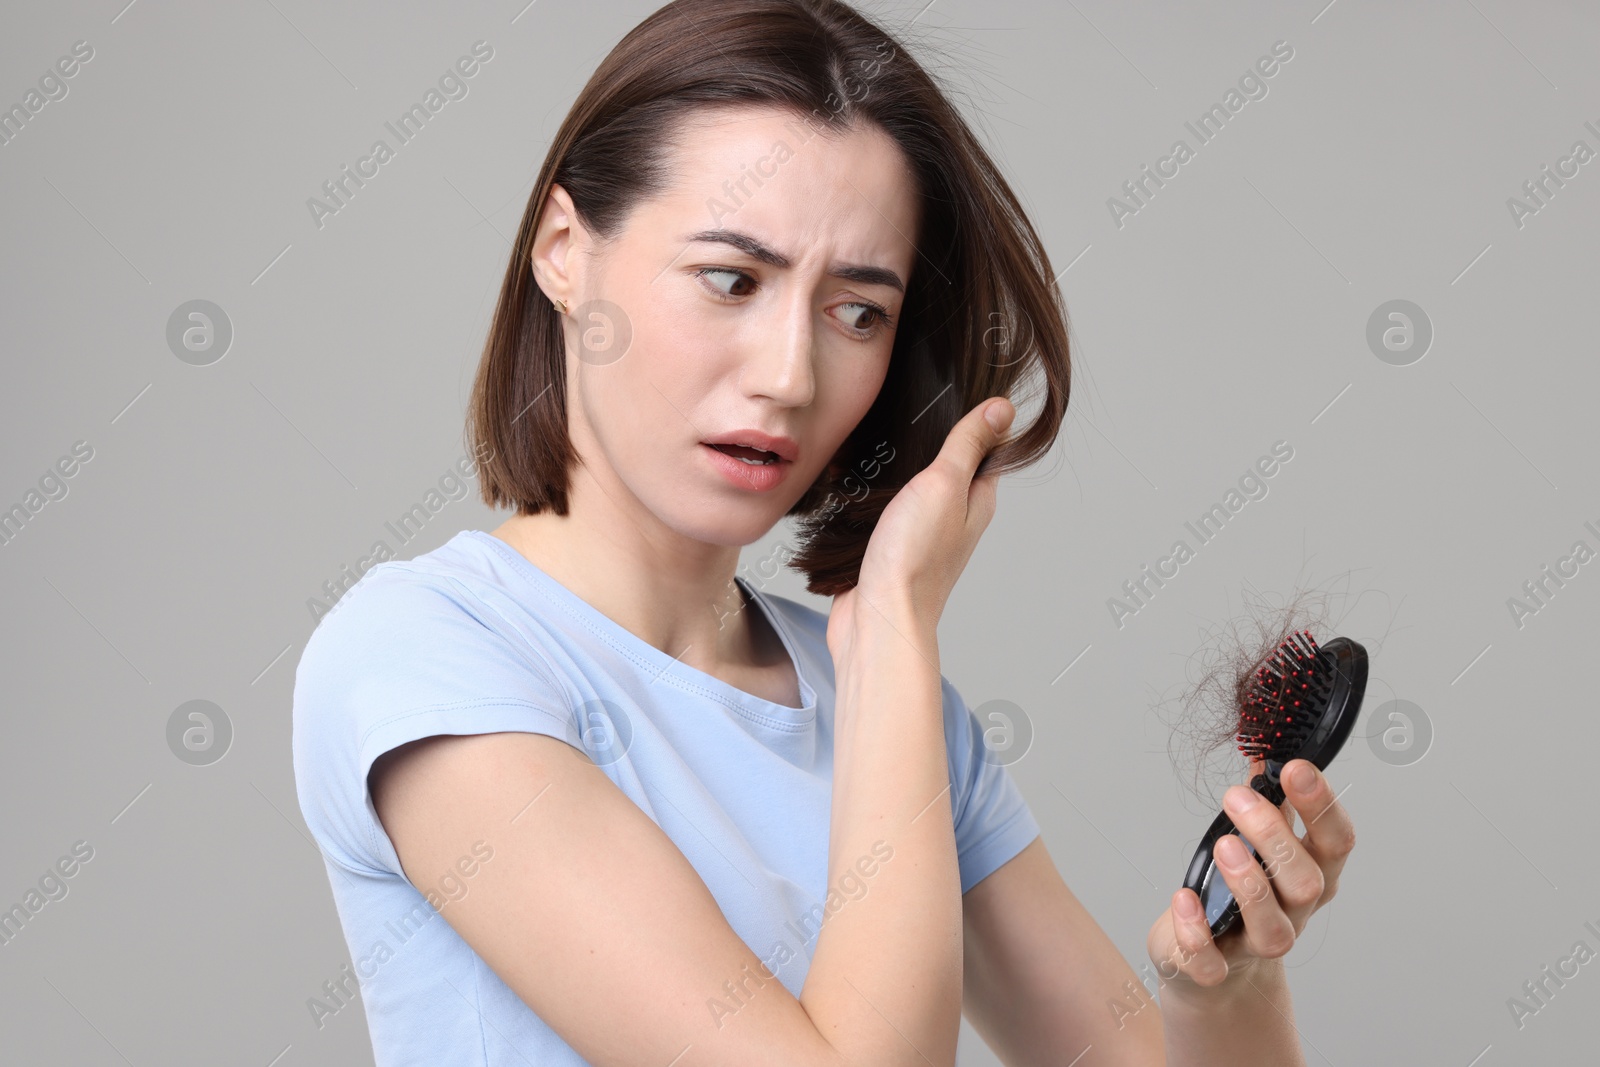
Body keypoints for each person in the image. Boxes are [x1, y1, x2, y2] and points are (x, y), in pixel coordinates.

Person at [291, 1, 1355, 1063]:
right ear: (565, 251)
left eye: (858, 312)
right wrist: (892, 620)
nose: (790, 375)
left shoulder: (888, 708)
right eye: (731, 280)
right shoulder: (426, 656)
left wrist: (1224, 991)